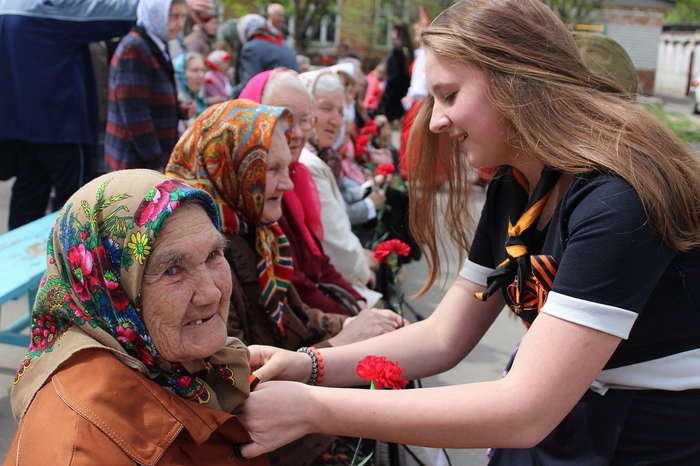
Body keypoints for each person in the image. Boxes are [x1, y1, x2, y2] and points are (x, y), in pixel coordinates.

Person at [235, 0, 700, 464]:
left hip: (641, 440)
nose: (436, 120)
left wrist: (316, 408)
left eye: (450, 95)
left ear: (515, 81)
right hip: (570, 425)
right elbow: (444, 336)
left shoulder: (617, 199)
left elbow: (525, 410)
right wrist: (309, 366)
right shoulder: (518, 183)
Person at [165, 99, 403, 465]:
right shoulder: (206, 255)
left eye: (287, 167)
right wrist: (340, 341)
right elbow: (232, 380)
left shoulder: (258, 234)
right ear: (229, 167)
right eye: (271, 169)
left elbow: (297, 313)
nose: (288, 182)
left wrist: (353, 325)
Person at [4, 169, 265, 465]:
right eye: (172, 270)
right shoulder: (78, 449)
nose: (211, 294)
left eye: (213, 255)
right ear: (107, 287)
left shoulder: (178, 366)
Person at [0, 0, 135, 229]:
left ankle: (13, 261)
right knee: (75, 203)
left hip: (22, 124)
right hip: (62, 124)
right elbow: (124, 14)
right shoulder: (53, 8)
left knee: (28, 195)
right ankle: (70, 261)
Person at [299, 69, 383, 307]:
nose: (337, 120)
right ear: (304, 111)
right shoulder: (309, 164)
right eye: (326, 108)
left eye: (340, 110)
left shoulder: (323, 155)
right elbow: (335, 244)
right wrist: (363, 270)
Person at [104, 0, 187, 172]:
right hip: (135, 162)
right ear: (156, 14)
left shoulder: (157, 43)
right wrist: (156, 161)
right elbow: (135, 113)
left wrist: (178, 109)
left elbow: (151, 97)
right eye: (173, 16)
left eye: (183, 16)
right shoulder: (135, 47)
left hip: (147, 159)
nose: (179, 24)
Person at [232, 14, 298, 97]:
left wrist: (228, 94)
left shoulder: (251, 48)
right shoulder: (285, 44)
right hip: (293, 96)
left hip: (273, 101)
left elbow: (249, 84)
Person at [378, 22, 413, 123]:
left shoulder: (397, 52)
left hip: (394, 97)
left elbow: (395, 76)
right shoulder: (408, 50)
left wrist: (386, 86)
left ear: (398, 33)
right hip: (404, 93)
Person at [174, 52, 209, 128]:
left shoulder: (199, 100)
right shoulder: (176, 104)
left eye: (203, 70)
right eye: (195, 70)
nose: (201, 75)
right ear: (181, 73)